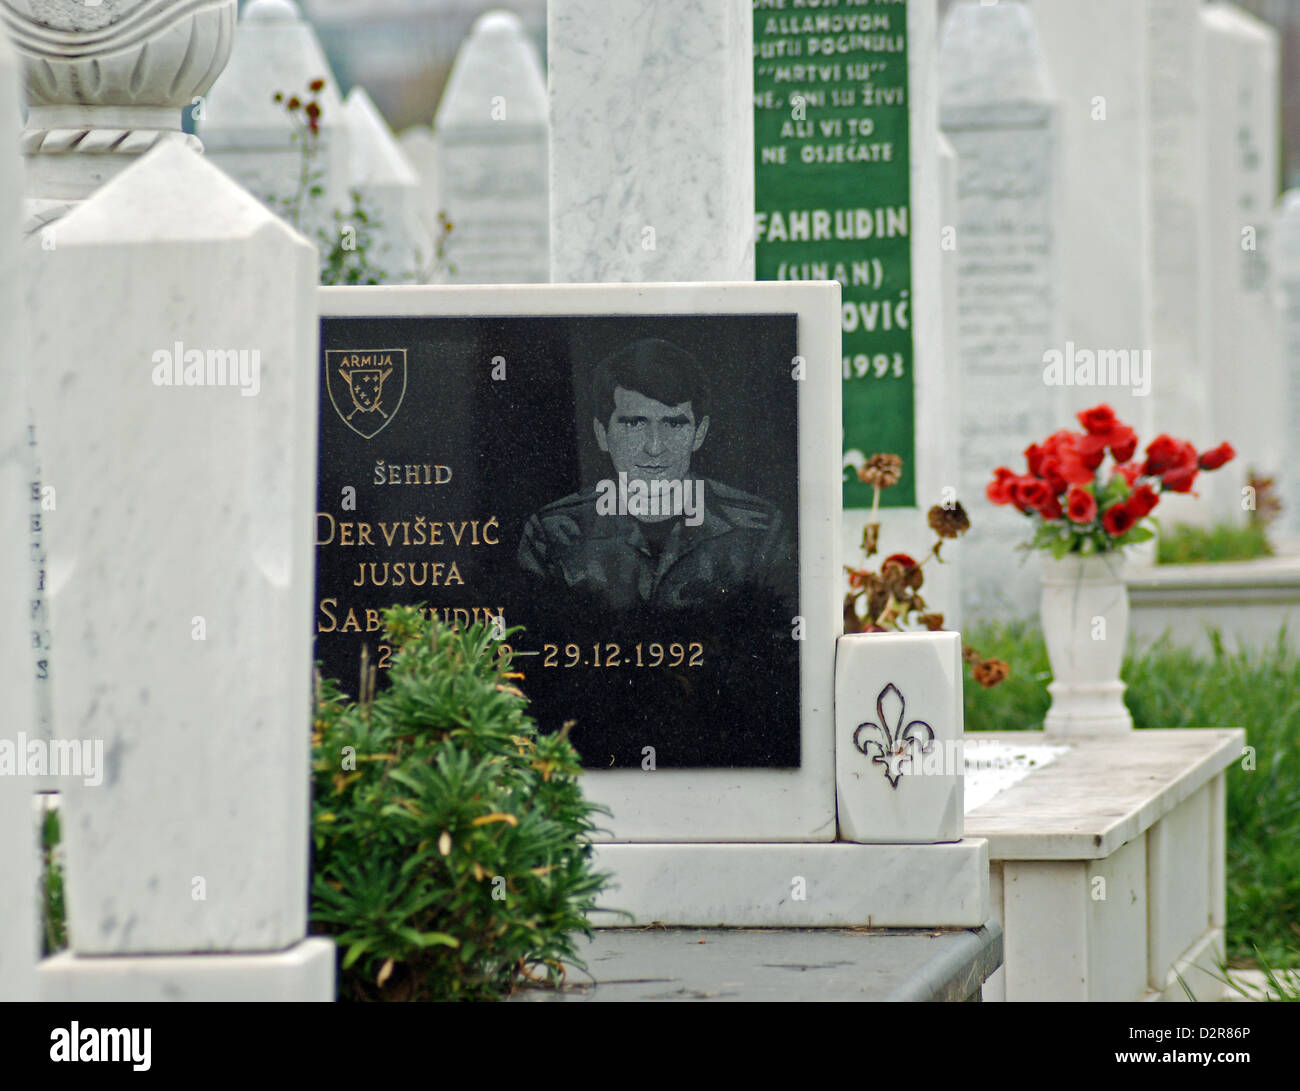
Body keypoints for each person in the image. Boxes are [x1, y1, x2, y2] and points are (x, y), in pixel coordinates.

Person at [516, 337, 796, 614]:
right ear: (602, 434)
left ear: (699, 433)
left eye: (674, 424)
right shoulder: (554, 533)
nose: (654, 447)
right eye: (634, 423)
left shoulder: (759, 531)